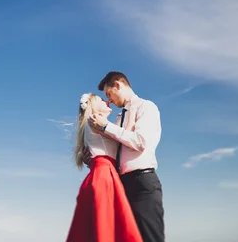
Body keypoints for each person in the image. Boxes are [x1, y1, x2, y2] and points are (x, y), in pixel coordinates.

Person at [86, 71, 165, 242]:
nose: (109, 100)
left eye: (109, 94)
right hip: (122, 185)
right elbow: (114, 149)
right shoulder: (119, 118)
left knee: (150, 237)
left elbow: (140, 142)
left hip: (142, 183)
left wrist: (106, 127)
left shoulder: (146, 107)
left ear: (117, 84)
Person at [66, 93, 143, 242]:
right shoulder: (95, 121)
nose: (107, 101)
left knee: (102, 226)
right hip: (104, 176)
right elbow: (125, 137)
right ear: (93, 105)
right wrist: (132, 110)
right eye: (102, 100)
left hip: (102, 174)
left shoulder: (93, 124)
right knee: (107, 225)